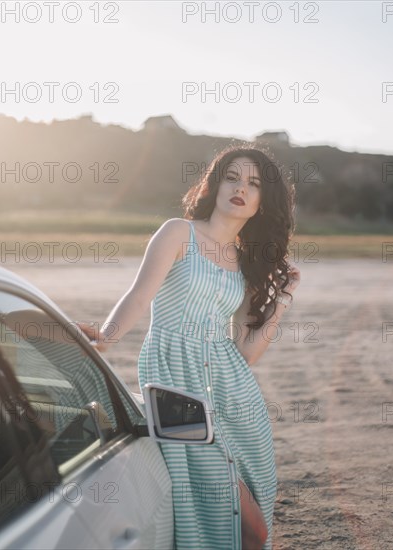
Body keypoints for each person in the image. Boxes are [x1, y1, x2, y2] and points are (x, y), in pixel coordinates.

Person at [79, 145, 300, 550]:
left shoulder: (246, 262)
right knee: (217, 501)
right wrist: (106, 338)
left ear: (262, 202)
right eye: (232, 177)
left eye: (253, 184)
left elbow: (246, 352)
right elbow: (138, 297)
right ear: (215, 184)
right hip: (175, 381)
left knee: (254, 498)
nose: (240, 188)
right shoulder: (178, 233)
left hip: (235, 394)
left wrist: (282, 301)